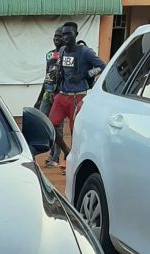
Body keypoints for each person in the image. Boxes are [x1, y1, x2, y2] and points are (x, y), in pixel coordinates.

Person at [50, 21, 106, 167]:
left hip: (77, 96)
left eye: (68, 34)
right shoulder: (61, 50)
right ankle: (67, 150)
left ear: (76, 34)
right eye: (63, 34)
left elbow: (102, 67)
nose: (65, 37)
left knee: (77, 131)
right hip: (62, 95)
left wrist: (84, 74)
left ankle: (74, 161)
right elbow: (59, 66)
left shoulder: (85, 51)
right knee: (50, 126)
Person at [35, 27, 65, 168]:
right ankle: (50, 151)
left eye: (59, 36)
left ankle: (56, 156)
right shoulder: (49, 55)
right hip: (48, 93)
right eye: (55, 36)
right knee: (43, 121)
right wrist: (40, 97)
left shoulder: (68, 55)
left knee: (57, 125)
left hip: (60, 95)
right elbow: (47, 77)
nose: (56, 38)